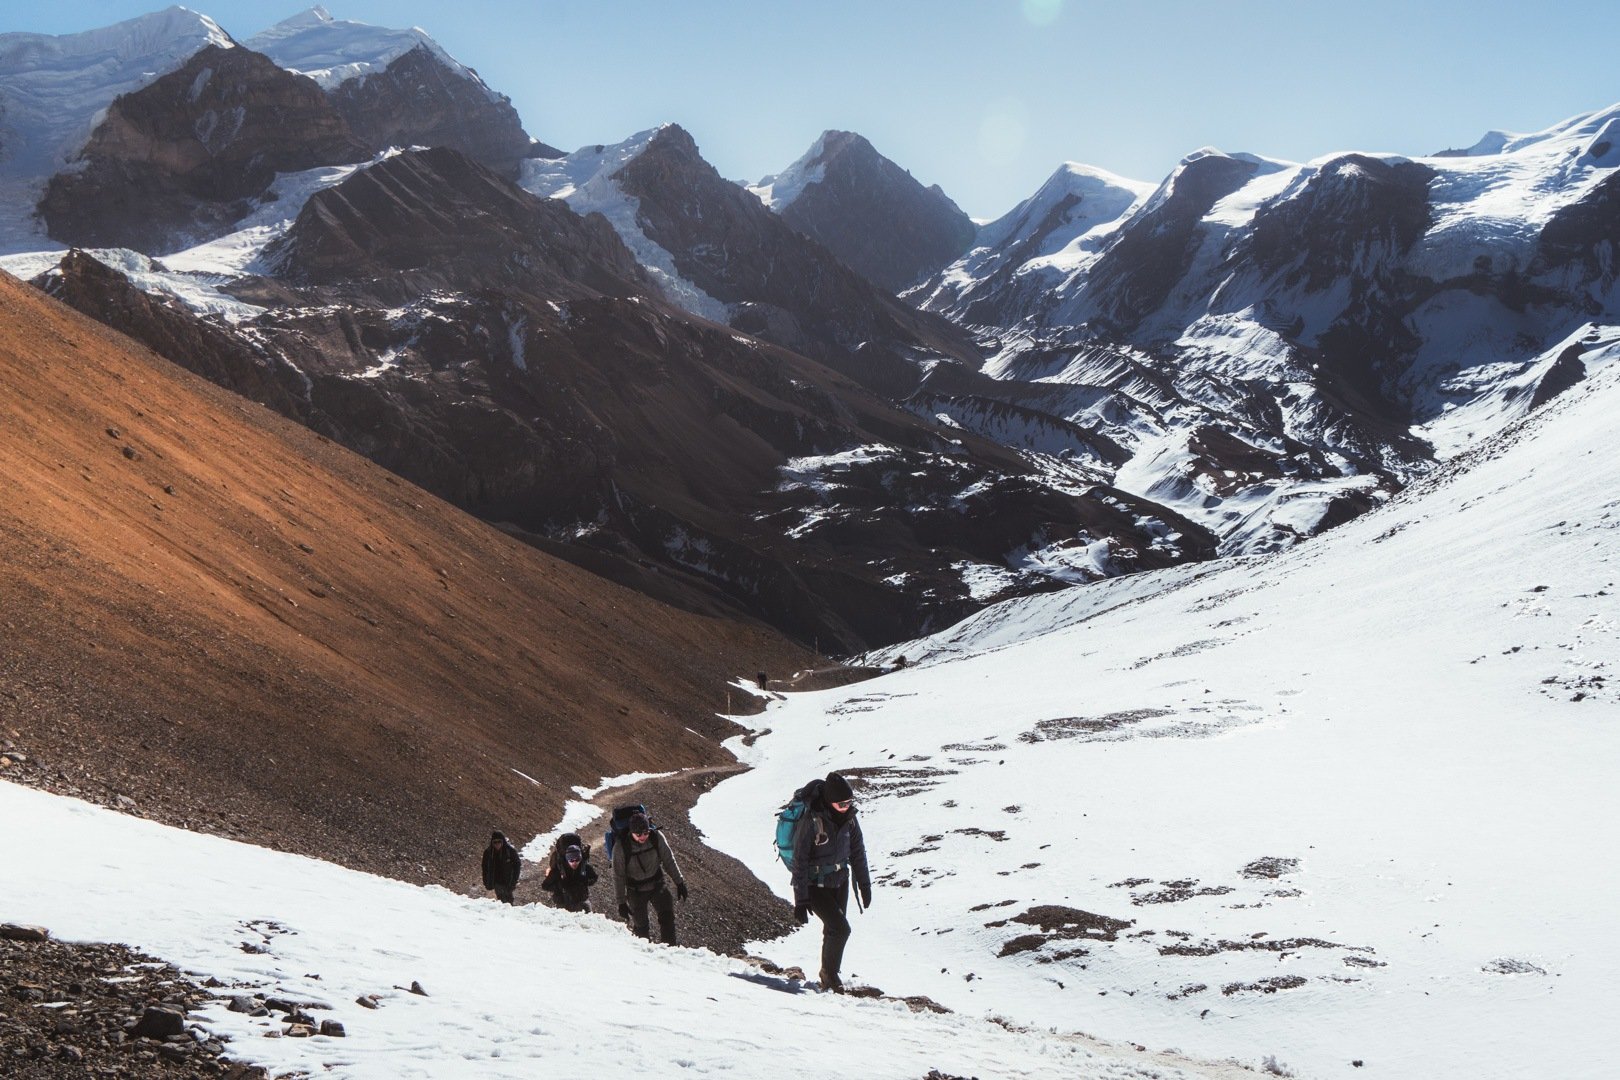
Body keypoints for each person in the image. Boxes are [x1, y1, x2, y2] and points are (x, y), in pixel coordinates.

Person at [790, 772, 872, 993]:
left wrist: (865, 885)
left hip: (840, 880)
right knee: (841, 929)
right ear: (829, 801)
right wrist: (801, 899)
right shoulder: (812, 820)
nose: (846, 807)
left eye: (849, 803)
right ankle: (830, 974)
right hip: (815, 884)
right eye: (841, 803)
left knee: (832, 930)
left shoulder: (850, 820)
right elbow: (800, 860)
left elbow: (858, 853)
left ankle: (828, 976)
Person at [611, 812, 689, 945]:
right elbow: (618, 876)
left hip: (657, 885)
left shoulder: (656, 837)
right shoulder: (621, 847)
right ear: (631, 832)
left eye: (646, 833)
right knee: (641, 927)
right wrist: (621, 902)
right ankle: (646, 958)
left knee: (667, 919)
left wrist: (680, 882)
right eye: (638, 834)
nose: (643, 837)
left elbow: (668, 860)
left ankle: (671, 952)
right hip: (635, 891)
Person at [540, 836, 599, 913]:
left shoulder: (585, 867)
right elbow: (545, 886)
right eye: (571, 860)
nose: (574, 863)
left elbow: (594, 878)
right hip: (563, 904)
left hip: (581, 902)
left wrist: (585, 881)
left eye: (577, 860)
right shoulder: (558, 870)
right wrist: (559, 886)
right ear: (567, 859)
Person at [482, 830, 522, 905]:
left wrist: (514, 881)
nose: (497, 844)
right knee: (502, 900)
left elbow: (517, 866)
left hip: (508, 880)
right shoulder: (488, 853)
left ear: (503, 841)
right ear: (492, 842)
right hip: (497, 881)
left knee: (509, 900)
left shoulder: (510, 851)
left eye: (499, 842)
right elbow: (485, 868)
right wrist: (486, 881)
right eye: (495, 842)